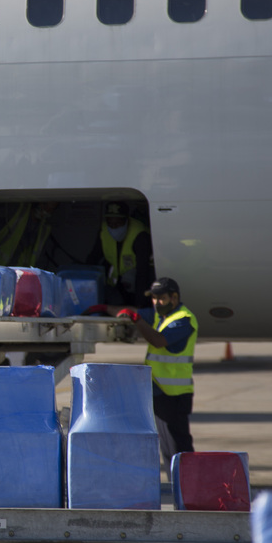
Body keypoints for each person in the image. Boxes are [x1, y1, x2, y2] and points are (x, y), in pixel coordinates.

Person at [89, 277, 198, 470]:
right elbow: (132, 311)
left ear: (174, 297)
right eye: (154, 299)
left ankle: (189, 484)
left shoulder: (183, 319)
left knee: (179, 445)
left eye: (161, 298)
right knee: (167, 446)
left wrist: (136, 320)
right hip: (160, 391)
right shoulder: (160, 316)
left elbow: (158, 340)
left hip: (175, 394)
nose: (156, 303)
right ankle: (178, 486)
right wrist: (106, 308)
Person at [86, 201, 155, 306]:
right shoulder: (104, 231)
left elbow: (142, 273)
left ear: (127, 221)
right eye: (110, 223)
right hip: (116, 280)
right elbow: (94, 257)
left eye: (118, 224)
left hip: (136, 279)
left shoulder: (140, 235)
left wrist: (139, 307)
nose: (114, 227)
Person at [0, 201, 58, 269]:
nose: (46, 210)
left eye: (51, 209)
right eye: (45, 205)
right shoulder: (16, 211)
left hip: (21, 272)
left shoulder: (43, 230)